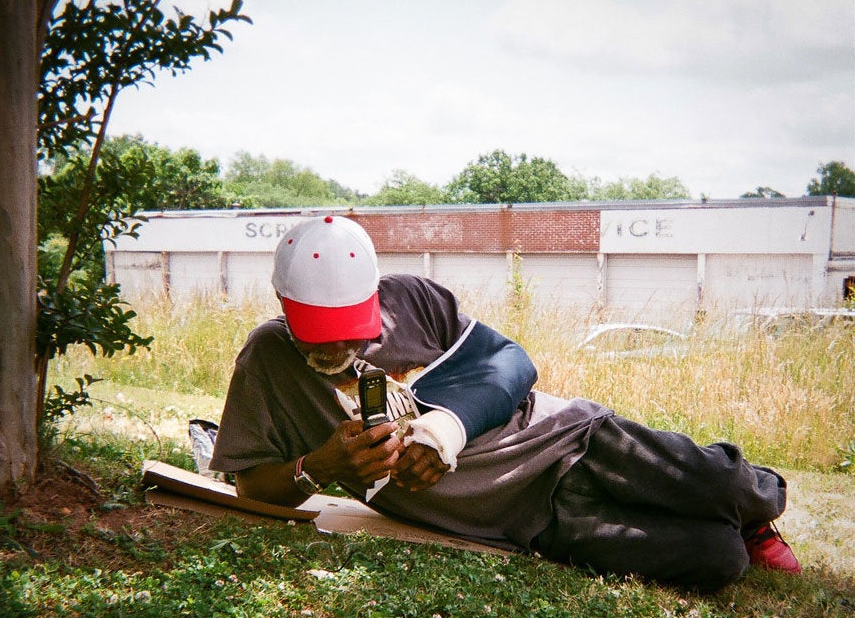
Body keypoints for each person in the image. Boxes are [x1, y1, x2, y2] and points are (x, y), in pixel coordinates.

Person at [209, 215, 801, 591]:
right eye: (322, 329)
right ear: (285, 306)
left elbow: (512, 363)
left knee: (723, 482)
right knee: (717, 560)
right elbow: (250, 488)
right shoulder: (266, 361)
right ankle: (735, 532)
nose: (341, 343)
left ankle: (755, 506)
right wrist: (321, 467)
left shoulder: (409, 299)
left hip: (568, 441)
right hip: (533, 521)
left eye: (352, 326)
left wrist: (447, 429)